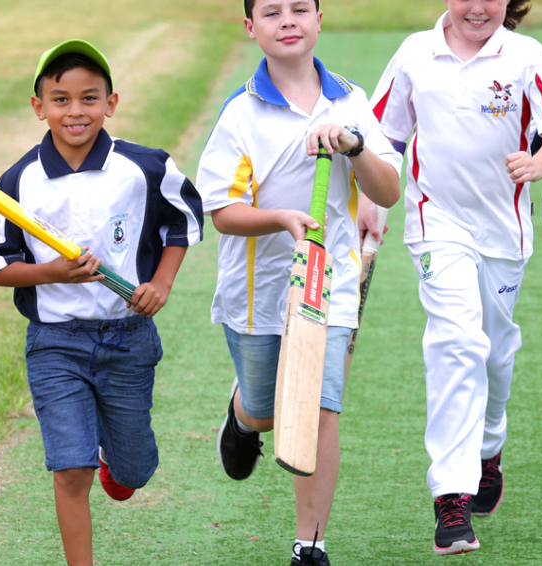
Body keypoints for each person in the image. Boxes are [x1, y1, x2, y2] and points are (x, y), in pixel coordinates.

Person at [0, 39, 203, 565]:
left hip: (128, 337)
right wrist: (53, 272)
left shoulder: (143, 167)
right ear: (39, 107)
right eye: (60, 99)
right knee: (69, 468)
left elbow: (184, 219)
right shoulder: (17, 182)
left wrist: (162, 284)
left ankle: (114, 460)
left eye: (89, 98)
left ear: (111, 102)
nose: (75, 111)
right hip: (55, 342)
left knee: (133, 471)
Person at [370, 0, 542, 555]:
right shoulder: (415, 53)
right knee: (457, 342)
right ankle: (452, 497)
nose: (478, 6)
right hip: (435, 221)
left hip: (503, 234)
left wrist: (540, 163)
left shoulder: (526, 56)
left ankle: (489, 448)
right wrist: (374, 202)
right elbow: (385, 138)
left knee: (493, 352)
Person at [198, 1, 402, 564]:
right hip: (258, 295)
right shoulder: (241, 113)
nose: (287, 20)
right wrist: (282, 220)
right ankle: (243, 416)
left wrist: (355, 146)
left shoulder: (351, 101)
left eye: (299, 9)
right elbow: (221, 208)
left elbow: (387, 192)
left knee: (318, 409)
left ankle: (309, 542)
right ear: (251, 28)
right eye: (271, 11)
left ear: (319, 20)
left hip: (327, 284)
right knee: (269, 411)